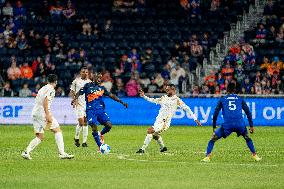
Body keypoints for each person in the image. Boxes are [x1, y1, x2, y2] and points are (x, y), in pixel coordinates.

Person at [202, 83, 261, 162]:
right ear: (234, 89)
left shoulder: (223, 99)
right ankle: (255, 155)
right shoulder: (240, 99)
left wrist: (214, 125)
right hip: (239, 124)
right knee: (247, 138)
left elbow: (215, 113)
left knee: (212, 139)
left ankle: (207, 157)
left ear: (227, 90)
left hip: (228, 125)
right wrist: (251, 126)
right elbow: (248, 112)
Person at [136, 84, 201, 153]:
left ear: (173, 90)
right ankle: (163, 148)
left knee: (150, 130)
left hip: (165, 123)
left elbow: (187, 109)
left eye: (168, 89)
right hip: (158, 121)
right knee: (155, 135)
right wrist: (144, 96)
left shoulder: (177, 100)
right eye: (166, 89)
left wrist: (195, 118)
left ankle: (142, 149)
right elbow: (153, 100)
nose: (166, 90)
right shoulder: (163, 97)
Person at [21, 74, 74, 160]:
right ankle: (62, 153)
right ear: (56, 82)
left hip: (35, 113)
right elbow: (46, 100)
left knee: (40, 136)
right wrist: (47, 114)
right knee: (57, 130)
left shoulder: (43, 88)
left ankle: (26, 152)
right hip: (42, 113)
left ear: (48, 80)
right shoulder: (51, 89)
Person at [71, 72, 128, 150]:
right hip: (91, 110)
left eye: (100, 78)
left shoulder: (102, 88)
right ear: (94, 77)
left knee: (109, 125)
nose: (99, 79)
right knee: (93, 125)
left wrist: (122, 102)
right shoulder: (87, 86)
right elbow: (79, 93)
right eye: (98, 77)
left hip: (100, 110)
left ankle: (100, 134)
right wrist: (74, 99)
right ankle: (100, 145)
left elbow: (112, 96)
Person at [70, 67, 91, 147]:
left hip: (87, 105)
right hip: (79, 104)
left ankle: (84, 142)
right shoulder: (76, 81)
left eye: (86, 72)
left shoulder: (90, 82)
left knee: (86, 122)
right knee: (81, 122)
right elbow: (72, 91)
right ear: (80, 73)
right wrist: (74, 100)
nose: (85, 73)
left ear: (88, 73)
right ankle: (76, 137)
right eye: (83, 72)